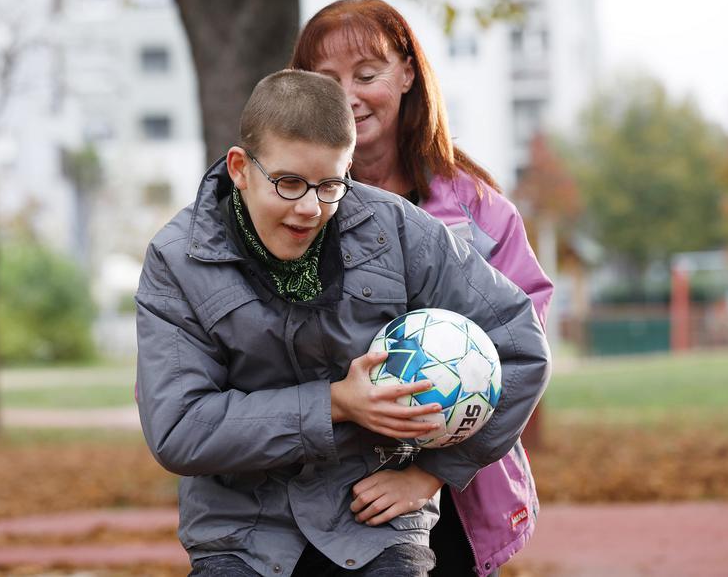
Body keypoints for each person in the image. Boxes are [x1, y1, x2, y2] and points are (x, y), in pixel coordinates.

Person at [135, 69, 549, 577]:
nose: (310, 208)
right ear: (240, 168)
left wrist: (433, 474)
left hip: (372, 525)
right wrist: (334, 404)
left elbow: (522, 347)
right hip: (241, 533)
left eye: (331, 184)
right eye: (289, 183)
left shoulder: (397, 231)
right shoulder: (178, 261)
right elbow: (179, 428)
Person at [290, 0, 554, 576]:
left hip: (454, 491)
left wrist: (429, 475)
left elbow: (518, 356)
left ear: (407, 73)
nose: (349, 96)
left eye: (367, 74)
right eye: (327, 80)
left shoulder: (480, 213)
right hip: (322, 482)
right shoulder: (289, 211)